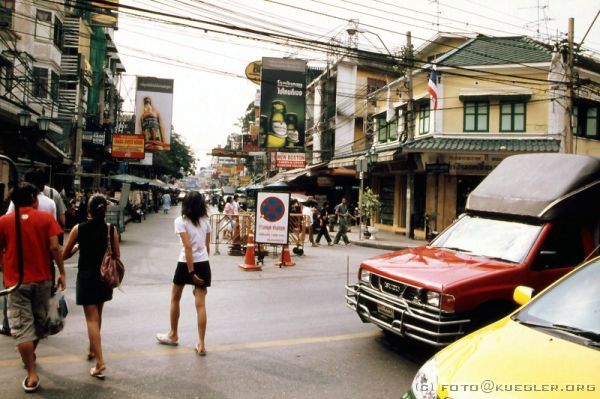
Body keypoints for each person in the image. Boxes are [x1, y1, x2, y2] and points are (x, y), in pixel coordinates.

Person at [0, 182, 65, 393]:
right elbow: (55, 247)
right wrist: (62, 272)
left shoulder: (4, 221)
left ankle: (31, 373)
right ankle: (31, 358)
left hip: (15, 283)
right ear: (34, 199)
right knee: (38, 324)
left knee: (21, 328)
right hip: (43, 280)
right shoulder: (46, 219)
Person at [62, 194, 120, 380]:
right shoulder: (111, 230)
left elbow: (63, 255)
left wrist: (78, 248)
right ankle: (91, 348)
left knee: (91, 320)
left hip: (86, 276)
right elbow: (117, 255)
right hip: (103, 278)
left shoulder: (78, 229)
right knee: (98, 316)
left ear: (88, 210)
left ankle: (100, 362)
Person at [156, 191, 211, 356]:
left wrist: (191, 271)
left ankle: (173, 334)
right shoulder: (206, 222)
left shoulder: (181, 221)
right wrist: (199, 270)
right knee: (200, 304)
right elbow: (207, 248)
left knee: (175, 297)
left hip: (185, 264)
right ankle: (201, 344)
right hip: (203, 262)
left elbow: (187, 247)